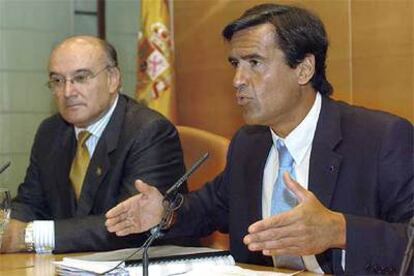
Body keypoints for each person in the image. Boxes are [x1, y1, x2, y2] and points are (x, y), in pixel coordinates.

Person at [105, 3, 413, 275]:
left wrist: (341, 231)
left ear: (304, 69)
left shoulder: (381, 139)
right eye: (235, 64)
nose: (238, 80)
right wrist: (165, 213)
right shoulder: (249, 143)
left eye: (254, 63)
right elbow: (210, 209)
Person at [1, 36, 191, 254]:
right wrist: (5, 227)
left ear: (112, 79)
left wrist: (28, 236)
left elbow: (130, 224)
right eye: (57, 81)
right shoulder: (51, 132)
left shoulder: (149, 132)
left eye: (80, 78)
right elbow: (30, 203)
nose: (67, 92)